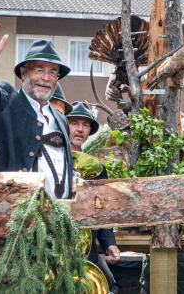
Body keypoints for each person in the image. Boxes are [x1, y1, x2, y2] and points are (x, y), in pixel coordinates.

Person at [0, 16, 73, 199]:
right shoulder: (4, 101)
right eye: (39, 70)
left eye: (53, 72)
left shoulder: (61, 119)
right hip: (5, 210)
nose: (46, 78)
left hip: (60, 211)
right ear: (24, 73)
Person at [66, 101, 120, 292]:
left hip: (88, 252)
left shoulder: (98, 169)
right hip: (57, 252)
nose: (80, 129)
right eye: (74, 123)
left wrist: (109, 244)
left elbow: (102, 211)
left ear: (90, 131)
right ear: (64, 125)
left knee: (109, 288)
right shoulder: (51, 163)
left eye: (85, 125)